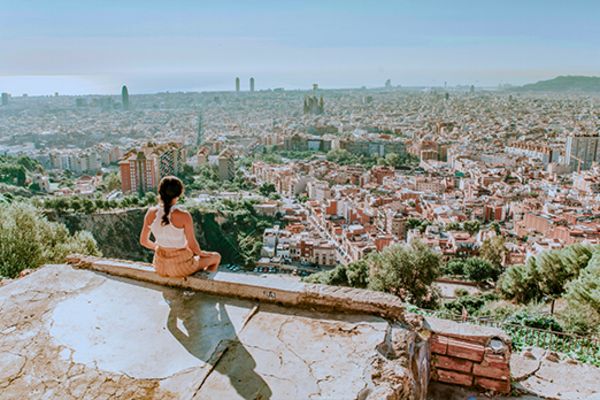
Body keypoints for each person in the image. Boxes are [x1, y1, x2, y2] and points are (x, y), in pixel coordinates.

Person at [140, 176, 221, 277]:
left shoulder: (150, 212)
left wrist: (159, 247)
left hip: (160, 266)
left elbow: (143, 241)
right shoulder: (184, 215)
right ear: (179, 194)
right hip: (180, 268)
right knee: (216, 257)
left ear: (160, 191)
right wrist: (201, 253)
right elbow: (192, 245)